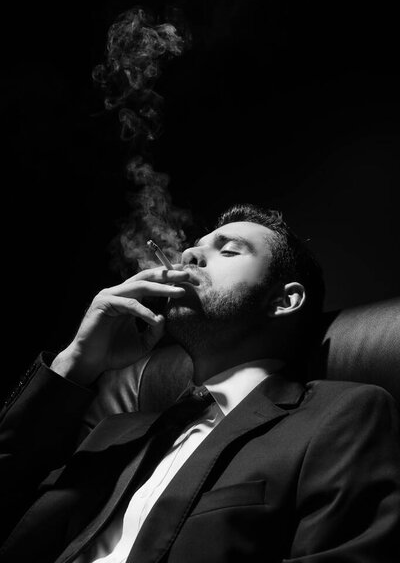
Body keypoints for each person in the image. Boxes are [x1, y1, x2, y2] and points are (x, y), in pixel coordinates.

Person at [1, 203, 399, 563]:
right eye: (194, 248)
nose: (189, 255)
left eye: (228, 250)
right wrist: (75, 363)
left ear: (284, 300)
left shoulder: (341, 417)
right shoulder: (113, 432)